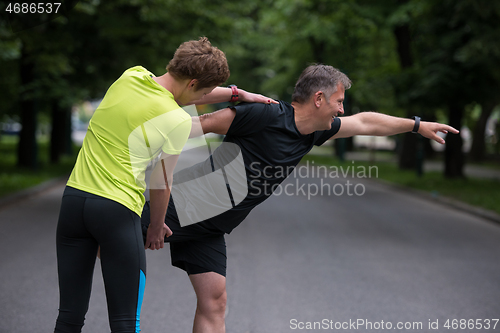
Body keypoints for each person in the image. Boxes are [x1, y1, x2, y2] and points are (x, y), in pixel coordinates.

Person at [140, 64, 459, 332]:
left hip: (212, 228)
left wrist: (417, 125)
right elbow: (196, 126)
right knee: (101, 250)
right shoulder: (264, 116)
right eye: (339, 100)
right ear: (319, 99)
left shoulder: (314, 131)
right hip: (179, 208)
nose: (342, 109)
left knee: (215, 301)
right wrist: (148, 158)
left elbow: (365, 122)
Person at [54, 37, 275, 333]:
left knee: (69, 316)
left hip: (73, 203)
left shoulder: (130, 76)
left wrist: (236, 94)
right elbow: (161, 182)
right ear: (194, 83)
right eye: (207, 92)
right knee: (124, 322)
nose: (206, 98)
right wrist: (157, 225)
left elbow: (183, 89)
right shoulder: (176, 120)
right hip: (115, 211)